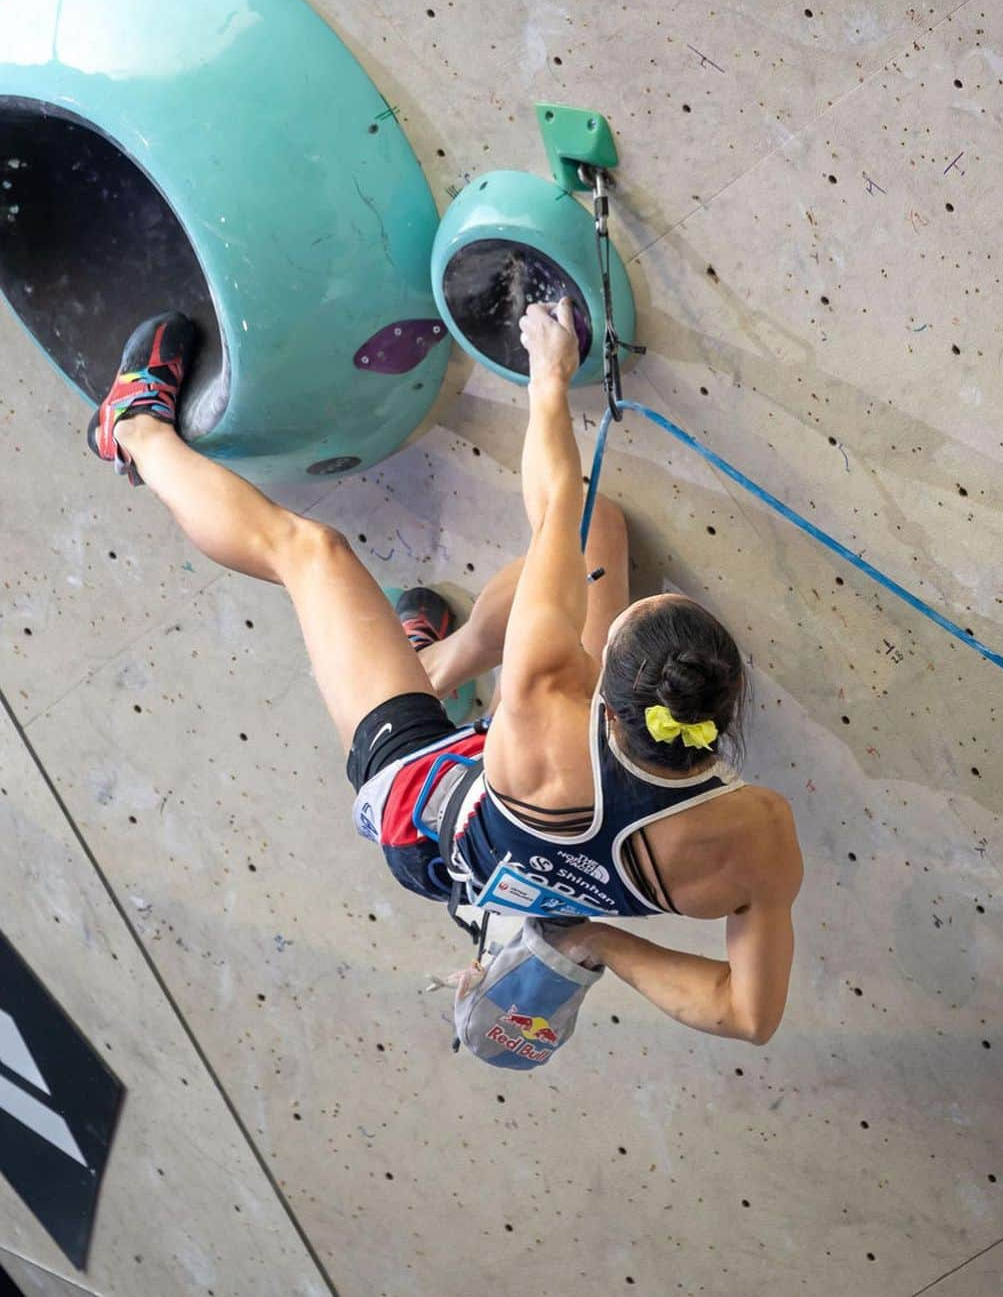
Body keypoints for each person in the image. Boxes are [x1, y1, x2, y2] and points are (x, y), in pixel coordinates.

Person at [86, 300, 803, 1045]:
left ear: (606, 700)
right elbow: (746, 1015)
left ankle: (132, 430)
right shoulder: (757, 837)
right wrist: (600, 939)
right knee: (603, 533)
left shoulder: (543, 693)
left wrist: (548, 373)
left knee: (310, 553)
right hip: (528, 837)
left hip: (423, 807)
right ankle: (432, 663)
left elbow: (555, 501)